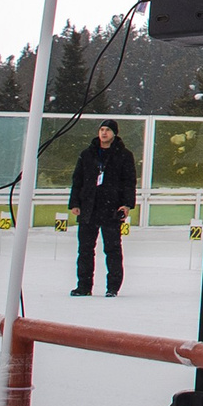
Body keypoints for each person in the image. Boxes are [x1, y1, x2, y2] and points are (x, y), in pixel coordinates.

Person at [66, 119, 136, 297]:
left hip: (111, 208)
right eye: (102, 129)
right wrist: (75, 203)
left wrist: (127, 204)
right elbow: (78, 180)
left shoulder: (124, 155)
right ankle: (84, 286)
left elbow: (129, 182)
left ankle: (112, 287)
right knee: (85, 249)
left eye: (108, 130)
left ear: (115, 134)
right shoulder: (87, 154)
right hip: (89, 207)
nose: (104, 133)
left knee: (112, 249)